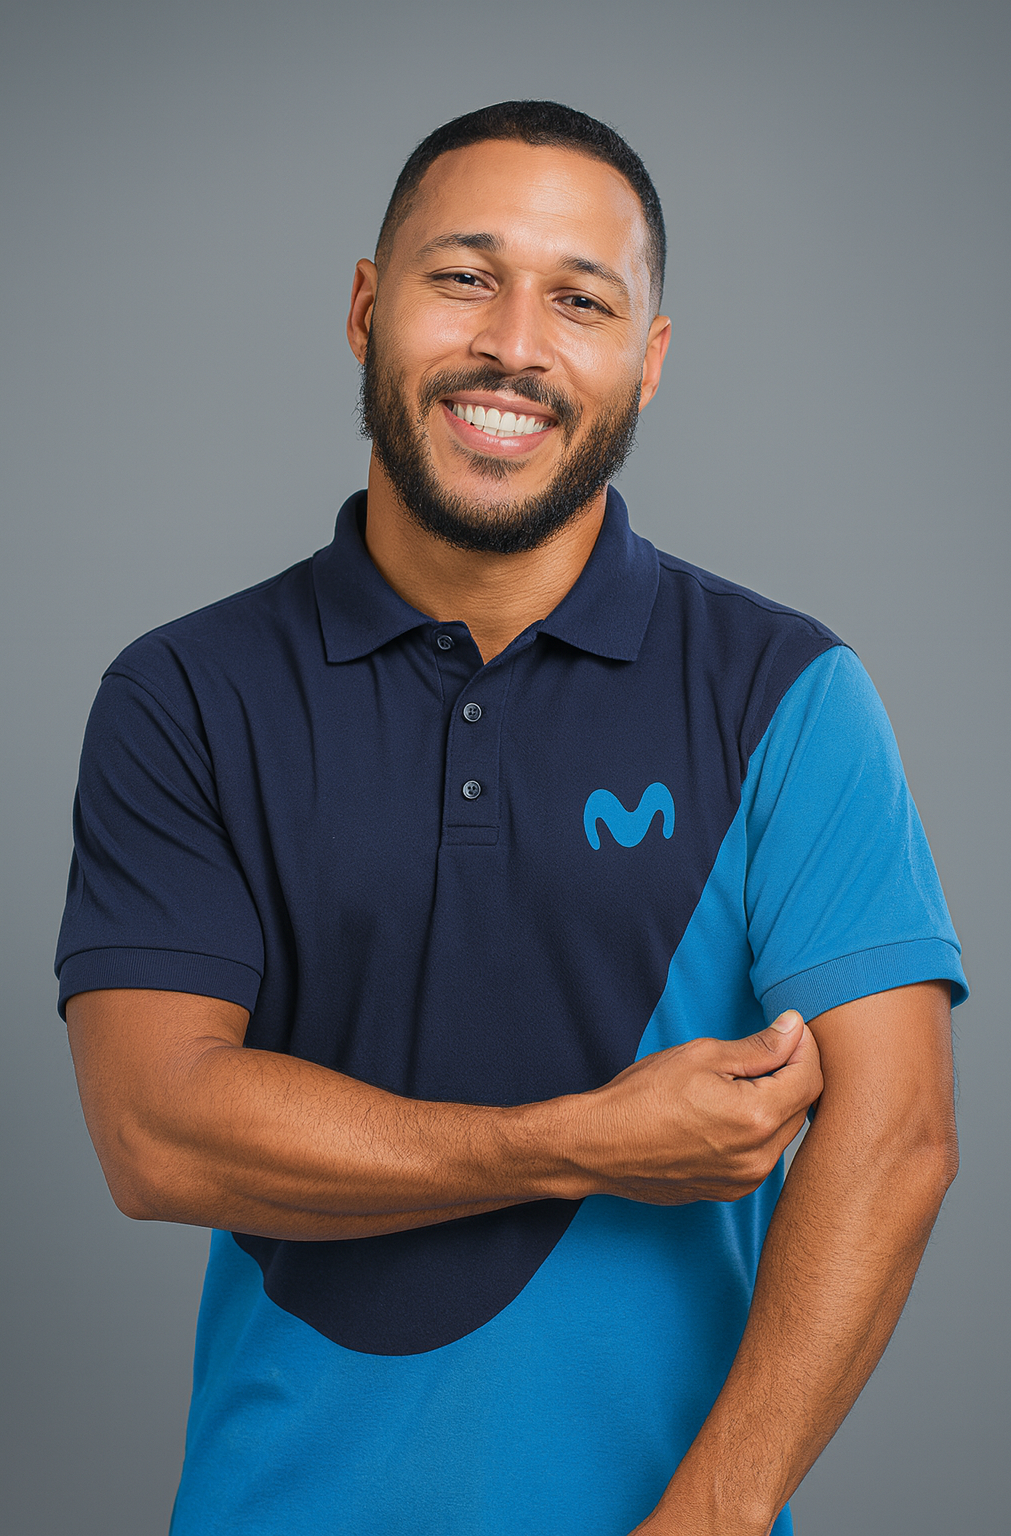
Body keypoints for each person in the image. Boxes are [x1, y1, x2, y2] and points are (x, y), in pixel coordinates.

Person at [57, 101, 965, 1536]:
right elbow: (158, 1135)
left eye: (580, 301)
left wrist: (708, 1522)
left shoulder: (784, 692)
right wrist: (573, 1144)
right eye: (465, 277)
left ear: (648, 361)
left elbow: (898, 1136)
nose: (514, 346)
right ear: (367, 308)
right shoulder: (186, 694)